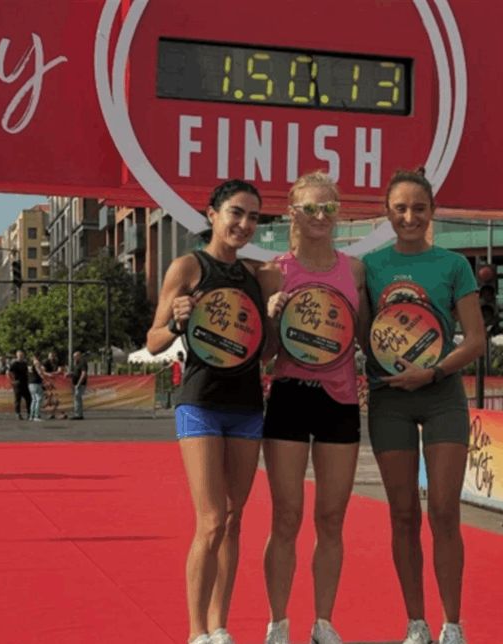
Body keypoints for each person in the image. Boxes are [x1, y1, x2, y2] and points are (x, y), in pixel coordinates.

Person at [145, 179, 278, 644]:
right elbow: (153, 341)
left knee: (235, 519)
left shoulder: (258, 276)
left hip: (247, 406)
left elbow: (266, 354)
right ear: (212, 214)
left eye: (253, 217)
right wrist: (177, 321)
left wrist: (274, 316)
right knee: (212, 519)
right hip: (200, 402)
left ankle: (220, 626)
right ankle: (196, 631)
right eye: (236, 212)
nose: (244, 224)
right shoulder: (188, 266)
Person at [362, 168, 485, 644]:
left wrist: (432, 373)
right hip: (389, 398)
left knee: (444, 511)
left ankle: (452, 623)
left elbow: (475, 341)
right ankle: (416, 623)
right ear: (387, 213)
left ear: (432, 212)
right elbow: (363, 334)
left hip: (441, 396)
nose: (409, 217)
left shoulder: (454, 265)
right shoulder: (370, 266)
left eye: (418, 208)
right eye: (400, 208)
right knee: (402, 514)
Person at [260, 172, 368, 644]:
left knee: (331, 519)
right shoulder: (273, 272)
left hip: (339, 400)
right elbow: (264, 353)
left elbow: (368, 337)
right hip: (289, 395)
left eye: (329, 207)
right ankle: (278, 622)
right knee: (286, 516)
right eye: (310, 208)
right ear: (293, 213)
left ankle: (324, 622)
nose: (320, 216)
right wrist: (271, 317)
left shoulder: (356, 270)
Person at [7, 350, 32, 420]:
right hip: (17, 383)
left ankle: (29, 413)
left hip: (25, 383)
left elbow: (27, 372)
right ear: (17, 356)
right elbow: (8, 372)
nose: (21, 357)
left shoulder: (25, 363)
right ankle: (18, 414)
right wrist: (12, 381)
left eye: (22, 355)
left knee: (29, 398)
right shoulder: (14, 364)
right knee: (18, 399)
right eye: (20, 355)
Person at [43, 351, 63, 419]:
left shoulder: (58, 361)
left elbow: (60, 370)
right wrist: (49, 374)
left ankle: (54, 413)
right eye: (50, 356)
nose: (52, 358)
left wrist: (53, 374)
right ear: (48, 357)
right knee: (49, 399)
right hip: (47, 382)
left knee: (56, 400)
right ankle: (52, 413)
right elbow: (43, 371)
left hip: (56, 382)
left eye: (53, 356)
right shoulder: (46, 362)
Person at [68, 351, 87, 420]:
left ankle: (78, 415)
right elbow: (76, 373)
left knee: (77, 398)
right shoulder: (76, 363)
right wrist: (70, 374)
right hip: (75, 383)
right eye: (73, 357)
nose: (74, 358)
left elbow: (83, 374)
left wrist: (79, 383)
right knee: (77, 399)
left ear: (79, 356)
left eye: (75, 356)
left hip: (80, 384)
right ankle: (79, 414)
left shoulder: (82, 363)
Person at [27, 352, 46, 422]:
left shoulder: (29, 363)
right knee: (39, 399)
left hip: (30, 383)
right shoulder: (37, 363)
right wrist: (44, 379)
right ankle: (36, 416)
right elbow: (39, 372)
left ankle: (31, 416)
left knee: (34, 400)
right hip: (36, 382)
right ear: (38, 356)